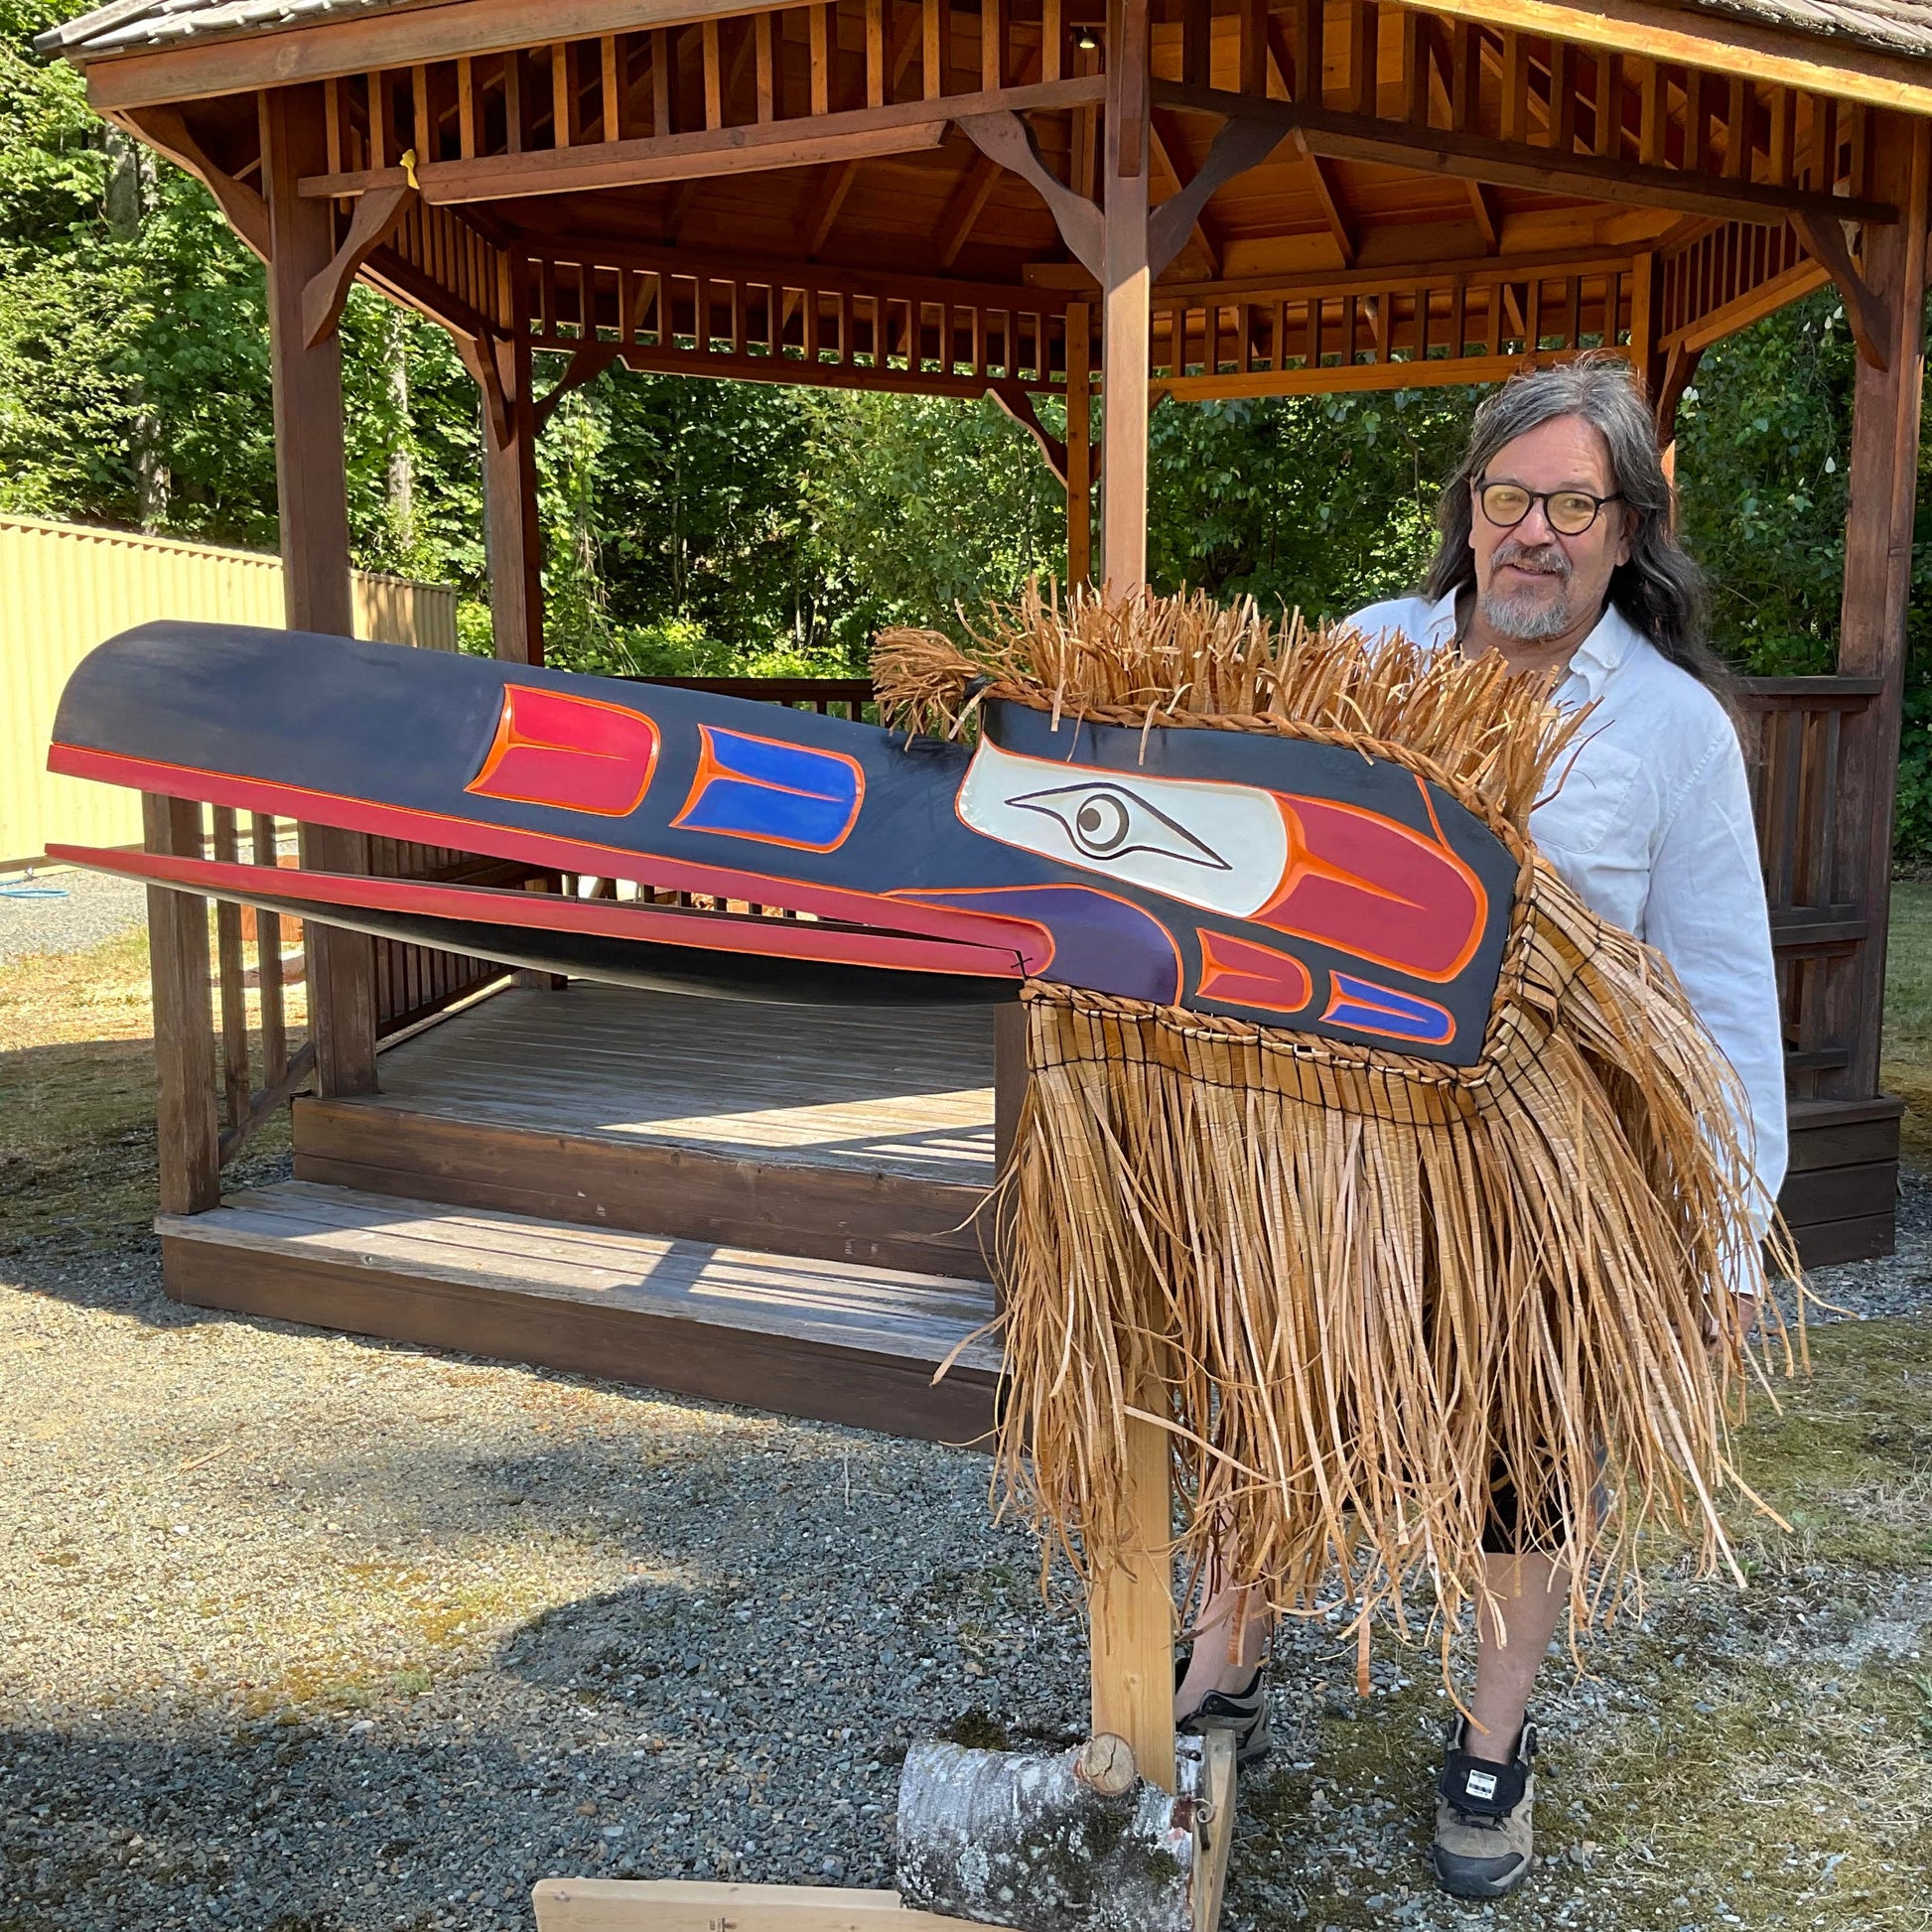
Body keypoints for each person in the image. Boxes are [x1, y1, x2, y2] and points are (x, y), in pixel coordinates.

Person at [1171, 353, 1787, 1899]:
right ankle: (1219, 1663)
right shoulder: (1359, 656)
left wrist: (1725, 1236)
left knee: (1523, 1459)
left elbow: (1721, 986)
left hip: (1541, 1174)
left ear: (1628, 527)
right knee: (1264, 1402)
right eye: (1506, 496)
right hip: (1328, 1132)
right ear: (1467, 510)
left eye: (1571, 503)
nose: (1532, 531)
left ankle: (1489, 1738)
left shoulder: (1668, 729)